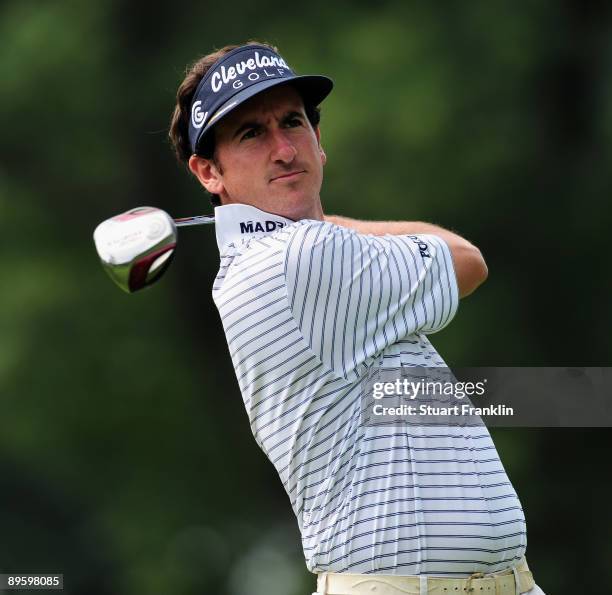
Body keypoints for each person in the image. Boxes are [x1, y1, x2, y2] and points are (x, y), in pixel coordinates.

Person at [169, 41, 545, 595]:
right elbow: (467, 259)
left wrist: (315, 221)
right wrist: (323, 224)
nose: (283, 148)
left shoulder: (285, 256)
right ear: (208, 172)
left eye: (292, 122)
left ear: (318, 142)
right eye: (251, 133)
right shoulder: (301, 261)